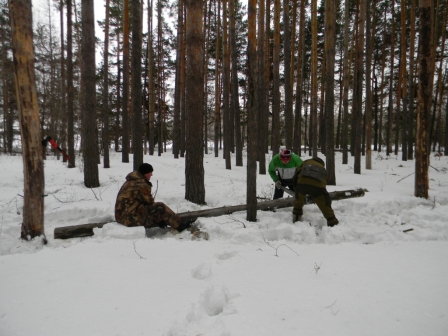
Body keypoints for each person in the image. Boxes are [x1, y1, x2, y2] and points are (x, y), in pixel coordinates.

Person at [115, 163, 192, 232]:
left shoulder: (132, 181)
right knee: (160, 207)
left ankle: (175, 221)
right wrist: (158, 218)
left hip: (122, 215)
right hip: (128, 218)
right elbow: (149, 201)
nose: (151, 175)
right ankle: (179, 225)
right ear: (145, 173)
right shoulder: (140, 183)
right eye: (150, 172)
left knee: (155, 209)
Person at [292, 157, 339, 227]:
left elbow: (297, 173)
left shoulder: (306, 162)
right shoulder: (322, 167)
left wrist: (296, 188)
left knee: (298, 200)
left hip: (302, 182)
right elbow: (323, 182)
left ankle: (296, 217)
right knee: (325, 203)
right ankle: (332, 221)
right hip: (317, 185)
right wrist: (318, 195)